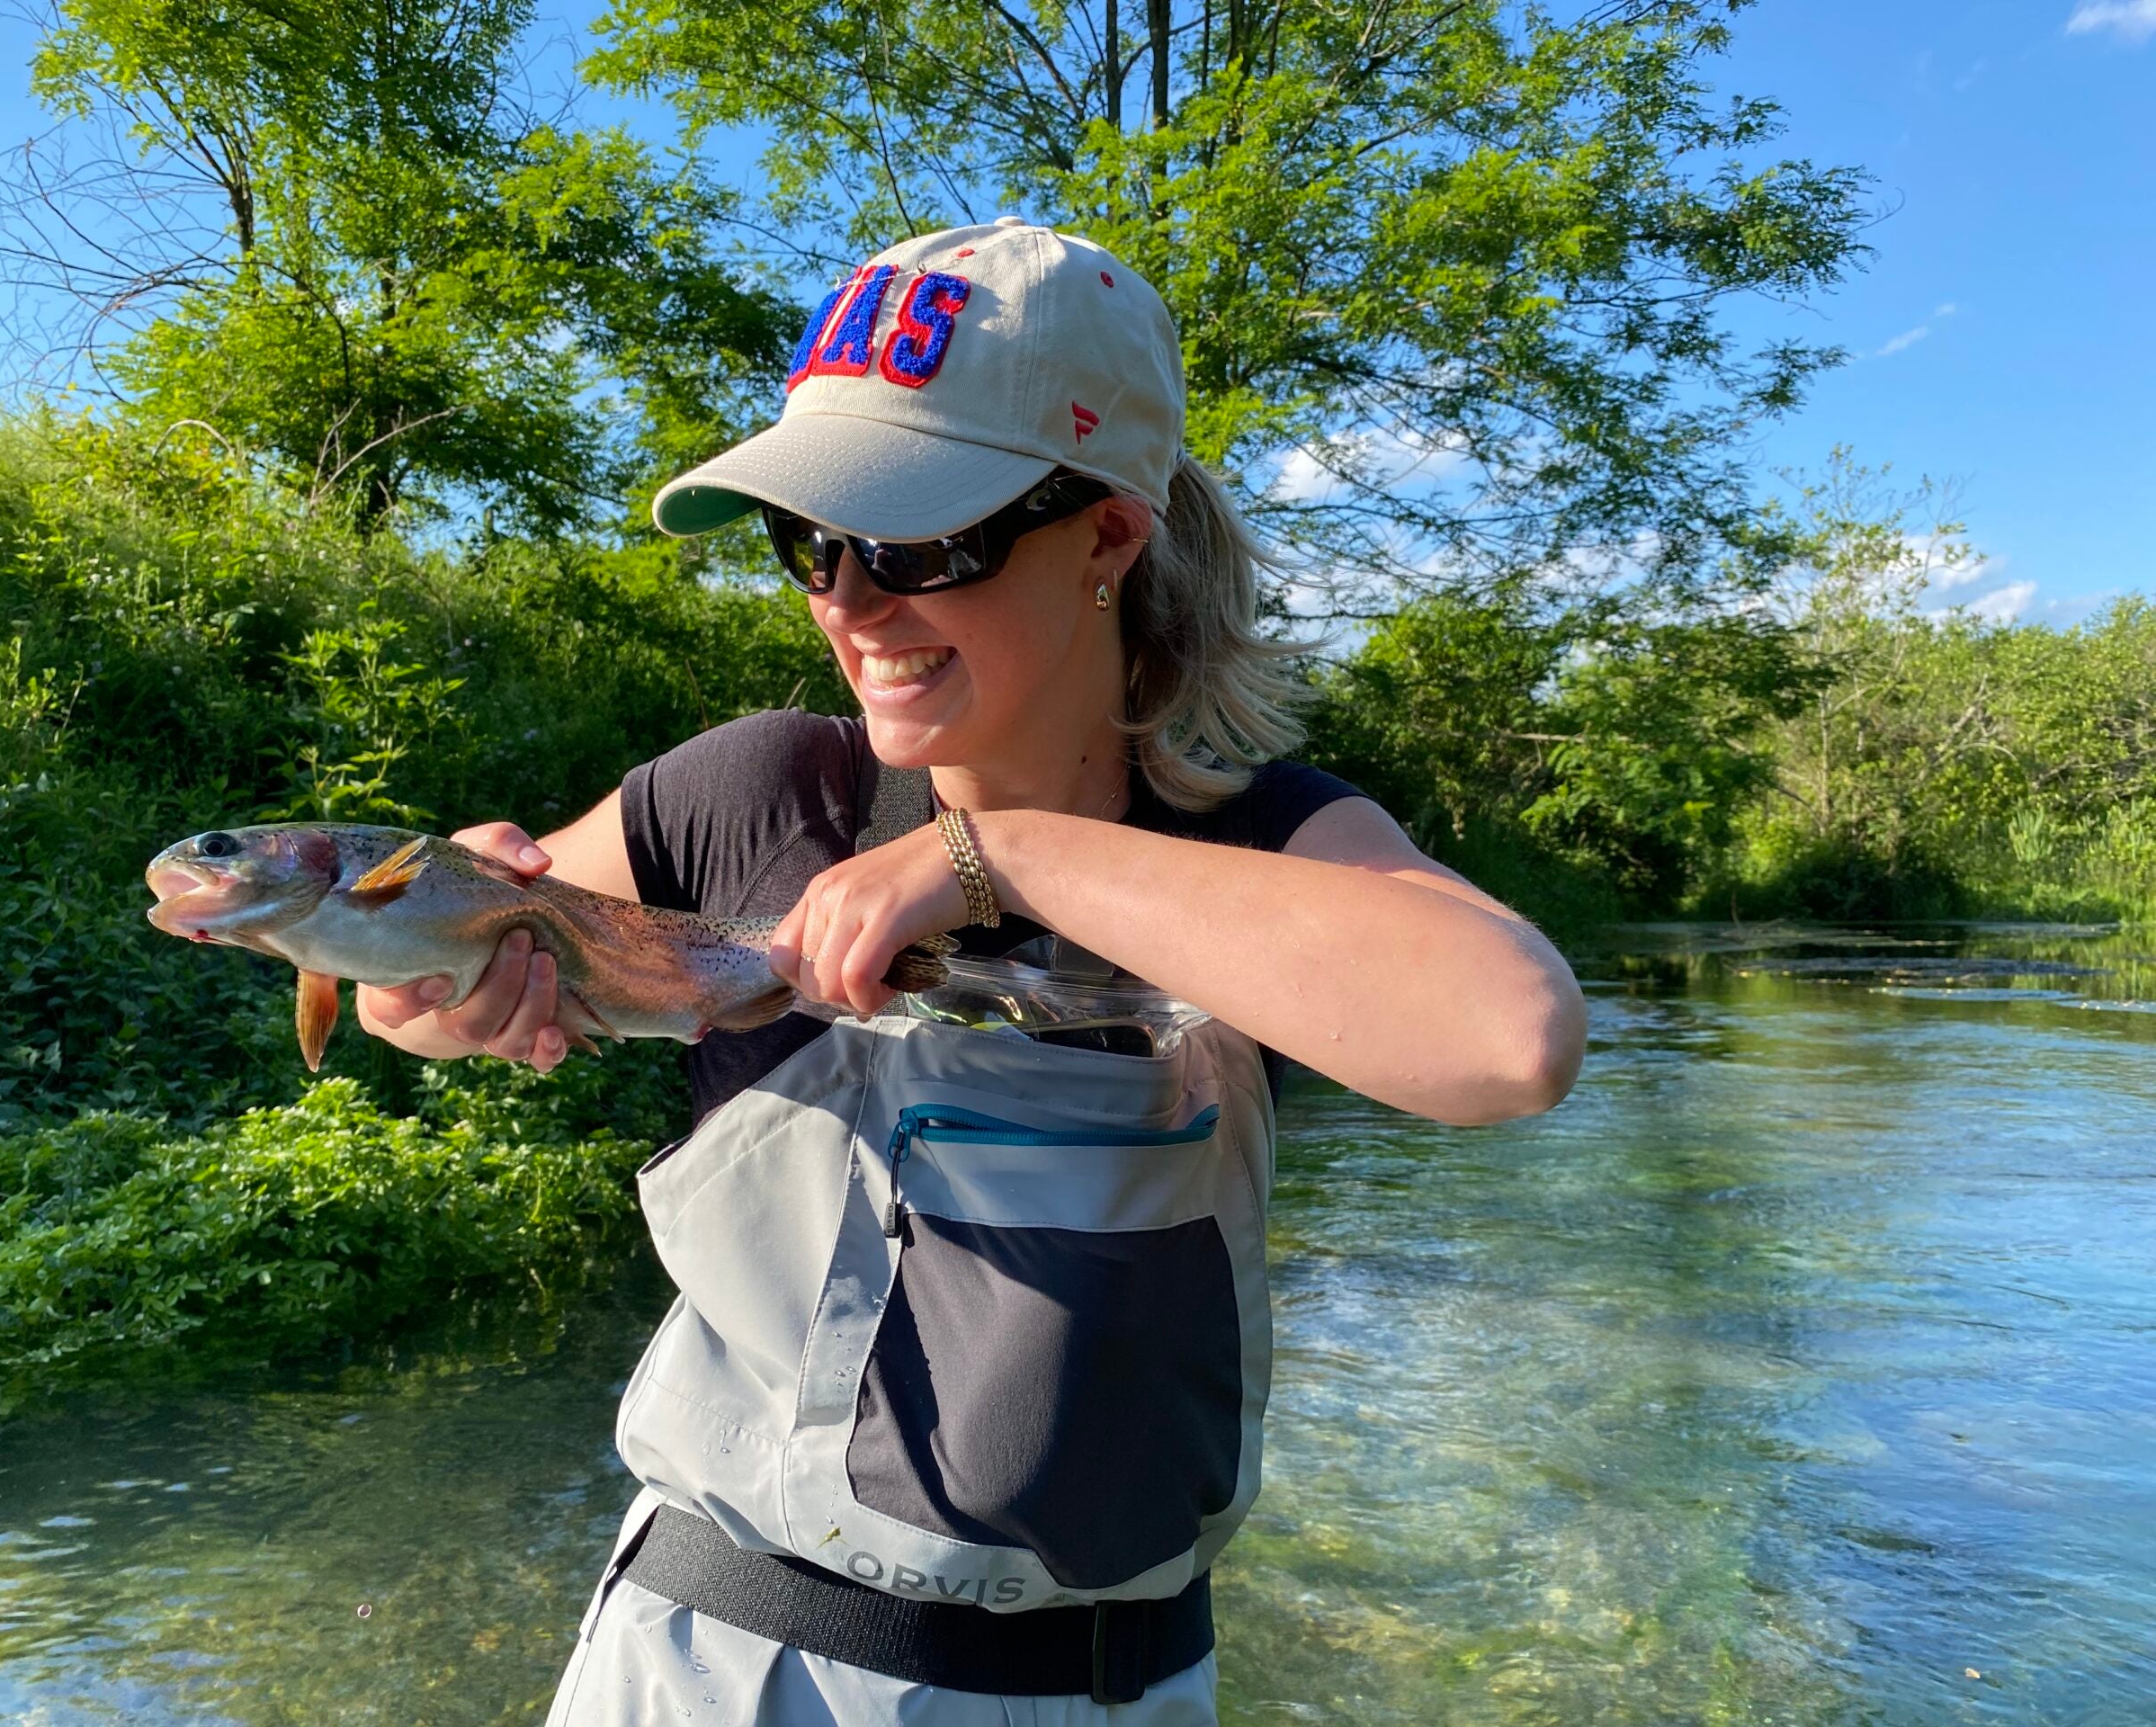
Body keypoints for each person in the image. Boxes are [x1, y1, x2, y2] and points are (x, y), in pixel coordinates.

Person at [358, 218, 1586, 1725]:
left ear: (1111, 536)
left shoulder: (1273, 848)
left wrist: (994, 858)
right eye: (810, 542)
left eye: (922, 543)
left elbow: (1512, 1036)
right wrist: (414, 993)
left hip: (1122, 1689)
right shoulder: (754, 795)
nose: (850, 603)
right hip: (726, 1669)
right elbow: (439, 956)